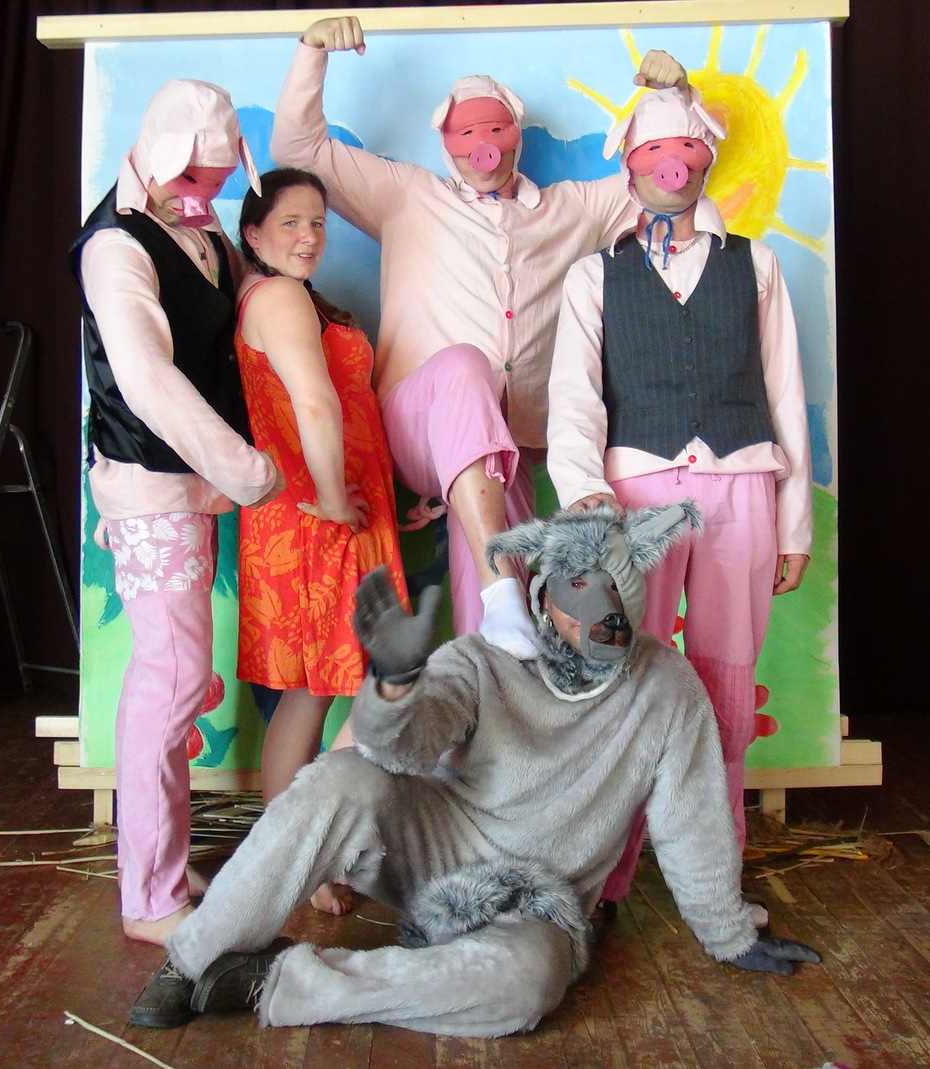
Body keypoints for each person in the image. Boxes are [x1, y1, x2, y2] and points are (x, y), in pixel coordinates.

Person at [126, 506, 821, 1037]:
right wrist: (395, 686)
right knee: (339, 779)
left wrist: (730, 935)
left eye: (613, 590)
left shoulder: (666, 689)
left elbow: (691, 820)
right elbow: (402, 750)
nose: (596, 613)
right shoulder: (485, 658)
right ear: (542, 592)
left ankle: (275, 981)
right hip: (432, 850)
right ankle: (193, 960)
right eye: (577, 588)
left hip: (538, 901)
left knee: (527, 984)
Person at [270, 16, 691, 662]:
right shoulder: (405, 195)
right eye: (467, 133)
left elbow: (665, 182)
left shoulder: (573, 208)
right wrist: (312, 51)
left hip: (507, 448)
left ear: (515, 135)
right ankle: (502, 595)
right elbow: (297, 147)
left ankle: (497, 644)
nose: (483, 146)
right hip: (417, 425)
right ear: (446, 142)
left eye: (495, 130)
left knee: (501, 631)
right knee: (466, 365)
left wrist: (673, 99)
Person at [546, 87, 814, 911]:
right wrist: (586, 491)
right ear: (630, 165)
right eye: (655, 151)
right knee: (629, 672)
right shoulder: (595, 274)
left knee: (727, 677)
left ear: (706, 160)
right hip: (635, 495)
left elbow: (785, 393)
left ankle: (713, 868)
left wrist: (795, 523)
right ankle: (609, 876)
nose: (672, 167)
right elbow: (574, 395)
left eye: (687, 150)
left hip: (741, 486)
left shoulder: (755, 265)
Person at [71, 80, 284, 946]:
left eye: (219, 181)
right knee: (170, 678)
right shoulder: (113, 247)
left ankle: (156, 860)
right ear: (158, 156)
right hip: (152, 481)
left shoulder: (198, 231)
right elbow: (146, 378)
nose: (205, 196)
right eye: (193, 178)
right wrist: (243, 466)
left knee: (178, 676)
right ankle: (149, 896)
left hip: (196, 485)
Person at [233, 167, 410, 913]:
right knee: (384, 679)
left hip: (338, 514)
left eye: (317, 222)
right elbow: (311, 399)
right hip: (319, 518)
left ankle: (294, 856)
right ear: (253, 234)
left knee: (310, 695)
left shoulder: (294, 297)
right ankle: (308, 850)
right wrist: (336, 499)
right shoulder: (276, 296)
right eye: (290, 222)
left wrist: (393, 501)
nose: (309, 236)